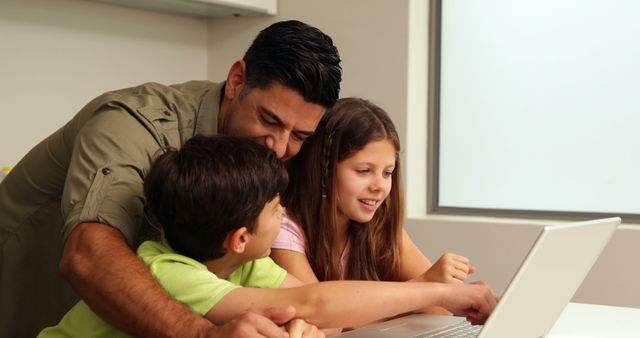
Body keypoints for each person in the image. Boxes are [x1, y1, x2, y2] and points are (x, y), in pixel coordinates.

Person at [0, 20, 341, 338]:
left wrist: (292, 318)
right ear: (237, 80)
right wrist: (203, 334)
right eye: (269, 120)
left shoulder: (267, 150)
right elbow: (89, 255)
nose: (280, 147)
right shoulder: (132, 124)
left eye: (299, 135)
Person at [39, 135, 497, 338]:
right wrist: (442, 292)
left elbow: (320, 304)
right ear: (240, 237)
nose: (285, 217)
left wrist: (305, 323)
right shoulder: (169, 273)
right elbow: (315, 303)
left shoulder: (248, 264)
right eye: (277, 210)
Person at [271, 98, 480, 316]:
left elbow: (440, 310)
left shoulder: (379, 225)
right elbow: (325, 316)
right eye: (363, 171)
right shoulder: (283, 229)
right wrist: (426, 285)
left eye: (387, 173)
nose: (379, 186)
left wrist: (445, 291)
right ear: (323, 171)